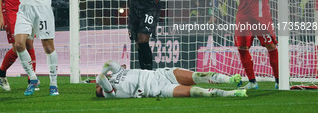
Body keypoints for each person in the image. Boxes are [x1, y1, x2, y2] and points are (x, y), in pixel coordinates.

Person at [95, 60, 246, 98]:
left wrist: (107, 73)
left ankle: (231, 80)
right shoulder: (110, 94)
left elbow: (109, 63)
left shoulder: (117, 72)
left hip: (161, 74)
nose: (97, 87)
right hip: (158, 90)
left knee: (198, 76)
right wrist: (100, 79)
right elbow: (100, 77)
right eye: (98, 89)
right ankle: (232, 93)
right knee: (197, 91)